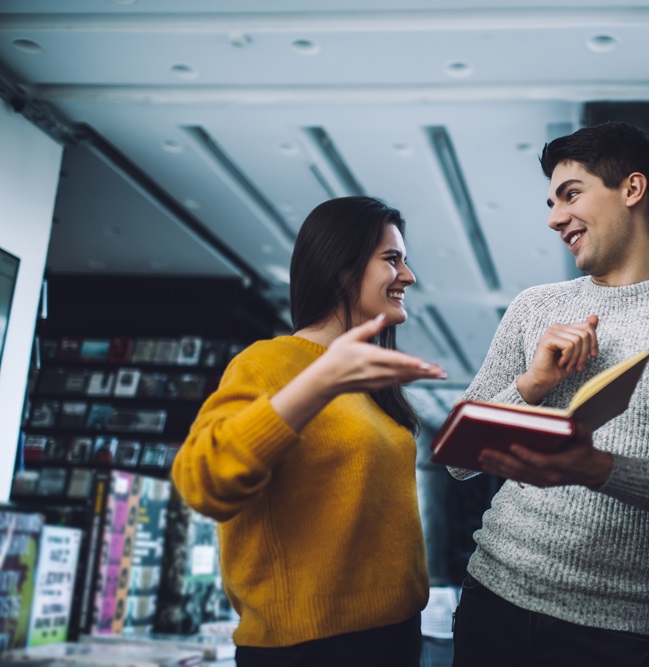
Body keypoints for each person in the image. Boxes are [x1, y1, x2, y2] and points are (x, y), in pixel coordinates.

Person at [449, 122, 649, 666]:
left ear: (632, 190)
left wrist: (596, 467)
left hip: (617, 633)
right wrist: (532, 387)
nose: (554, 217)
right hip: (492, 599)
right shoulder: (534, 306)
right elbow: (458, 461)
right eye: (551, 201)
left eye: (571, 194)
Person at [172, 196, 448, 666]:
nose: (408, 275)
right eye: (391, 259)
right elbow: (204, 483)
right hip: (309, 650)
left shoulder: (372, 384)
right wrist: (318, 382)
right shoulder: (267, 364)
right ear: (342, 270)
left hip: (395, 636)